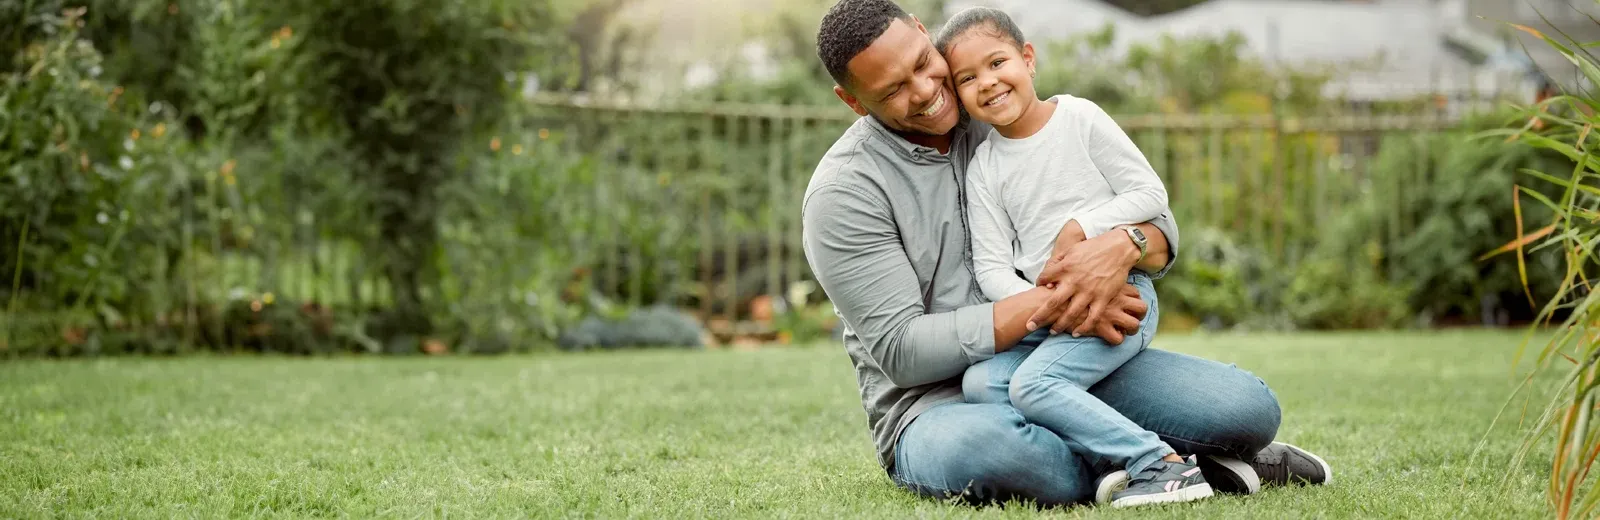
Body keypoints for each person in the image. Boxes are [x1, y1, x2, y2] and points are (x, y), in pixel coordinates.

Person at [800, 0, 1332, 508]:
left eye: (923, 63)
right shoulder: (844, 193)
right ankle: (1170, 462)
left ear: (922, 30)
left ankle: (1159, 459)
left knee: (1246, 409)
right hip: (936, 406)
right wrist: (1059, 297)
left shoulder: (996, 108)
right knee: (1014, 457)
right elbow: (902, 350)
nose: (926, 91)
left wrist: (1122, 246)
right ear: (853, 101)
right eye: (895, 89)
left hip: (1057, 354)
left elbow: (1159, 224)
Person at [935, 6, 1209, 508]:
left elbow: (1149, 192)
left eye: (997, 63)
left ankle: (1160, 465)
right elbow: (993, 269)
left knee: (1034, 387)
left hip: (1119, 300)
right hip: (1048, 315)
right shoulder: (985, 168)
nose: (988, 83)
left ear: (1028, 58)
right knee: (982, 383)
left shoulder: (1079, 118)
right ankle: (1120, 459)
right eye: (967, 78)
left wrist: (1083, 225)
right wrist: (1052, 301)